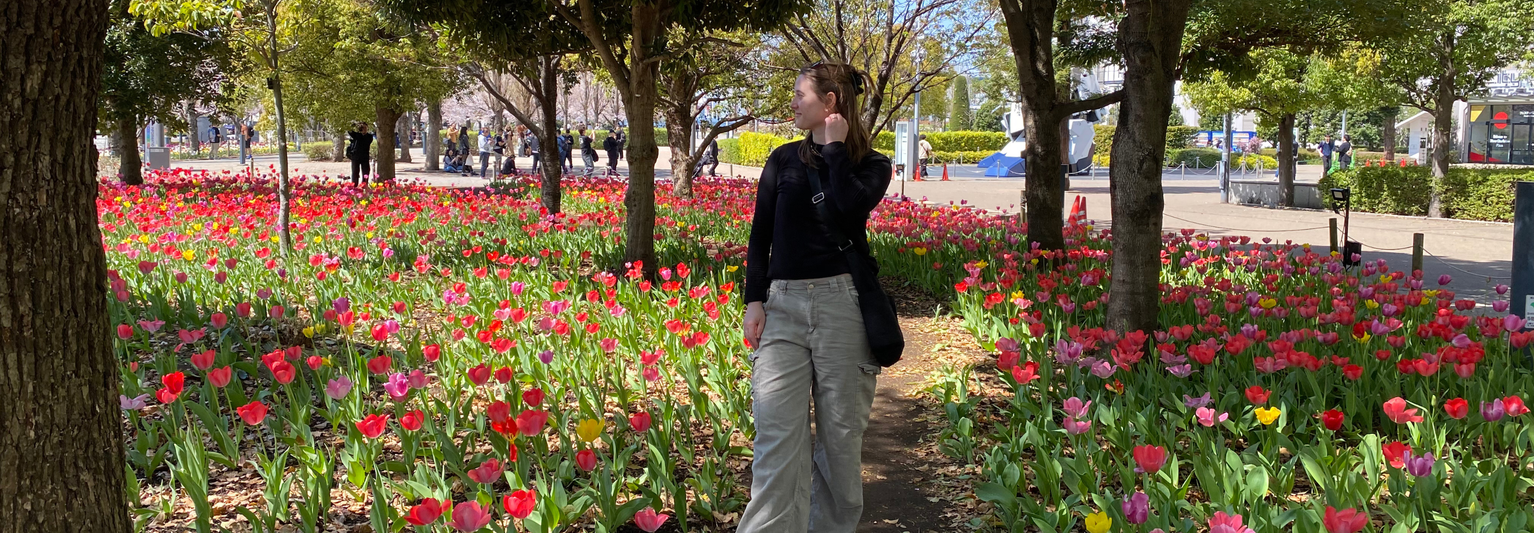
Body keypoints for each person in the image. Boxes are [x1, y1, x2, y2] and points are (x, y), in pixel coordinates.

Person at [738, 60, 891, 533]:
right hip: (782, 306)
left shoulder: (872, 164)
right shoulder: (782, 159)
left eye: (800, 94)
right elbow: (760, 232)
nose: (792, 103)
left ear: (830, 102)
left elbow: (848, 208)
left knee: (840, 445)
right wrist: (754, 299)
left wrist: (835, 150)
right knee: (775, 438)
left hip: (842, 305)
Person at [345, 122, 375, 186]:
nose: (364, 129)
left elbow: (367, 141)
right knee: (355, 172)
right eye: (363, 128)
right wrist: (355, 124)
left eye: (365, 128)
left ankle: (364, 185)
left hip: (365, 157)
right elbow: (350, 131)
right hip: (356, 156)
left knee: (366, 172)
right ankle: (354, 185)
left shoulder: (369, 137)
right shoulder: (357, 135)